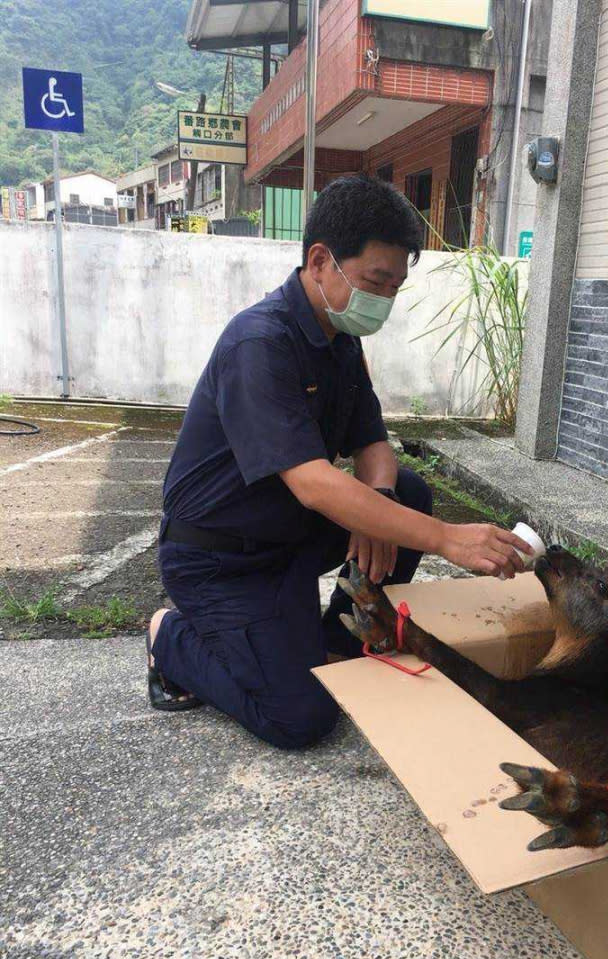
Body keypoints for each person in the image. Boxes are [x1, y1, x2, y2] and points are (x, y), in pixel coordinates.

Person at [147, 174, 532, 749]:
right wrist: (447, 540)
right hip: (222, 558)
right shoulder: (260, 344)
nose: (386, 299)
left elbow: (371, 441)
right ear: (321, 260)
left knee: (405, 491)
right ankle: (168, 636)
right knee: (300, 719)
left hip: (288, 536)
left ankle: (339, 639)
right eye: (377, 280)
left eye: (397, 286)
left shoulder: (340, 339)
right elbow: (313, 484)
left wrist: (377, 503)